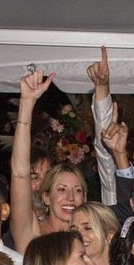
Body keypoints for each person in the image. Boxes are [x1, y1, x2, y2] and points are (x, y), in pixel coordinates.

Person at [11, 70, 91, 252]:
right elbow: (19, 175)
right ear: (46, 197)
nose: (71, 198)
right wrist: (26, 103)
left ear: (84, 198)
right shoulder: (33, 234)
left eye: (77, 191)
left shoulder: (92, 239)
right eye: (61, 189)